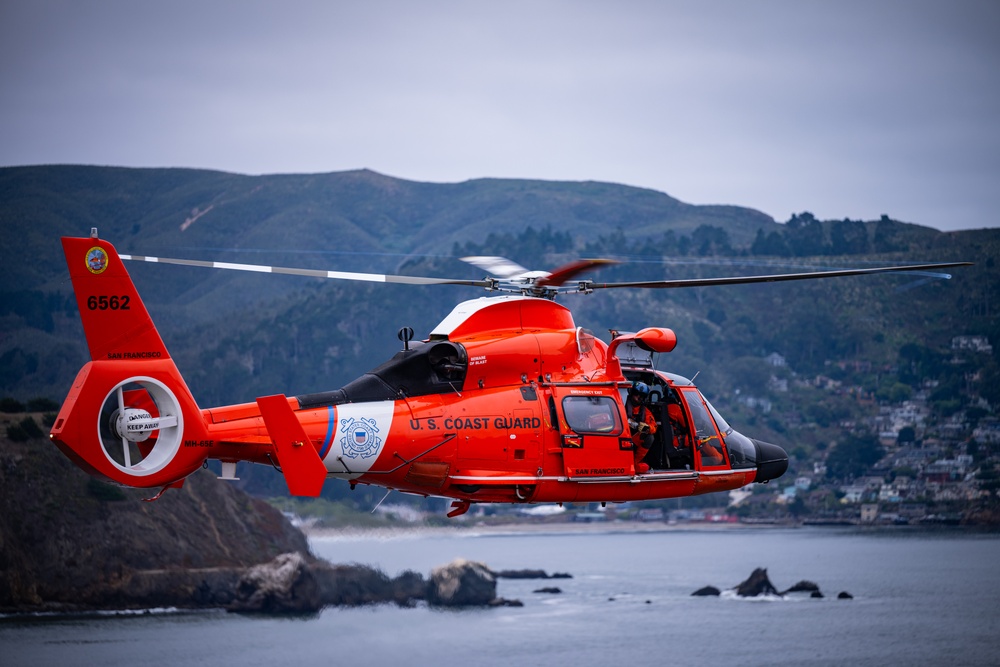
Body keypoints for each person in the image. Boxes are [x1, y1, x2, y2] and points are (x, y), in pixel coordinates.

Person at [626, 382, 657, 473]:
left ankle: (634, 462)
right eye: (636, 394)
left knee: (649, 438)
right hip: (619, 436)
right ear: (632, 393)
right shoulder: (621, 404)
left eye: (641, 396)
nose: (638, 397)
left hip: (632, 439)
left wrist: (647, 428)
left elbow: (654, 427)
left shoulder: (645, 411)